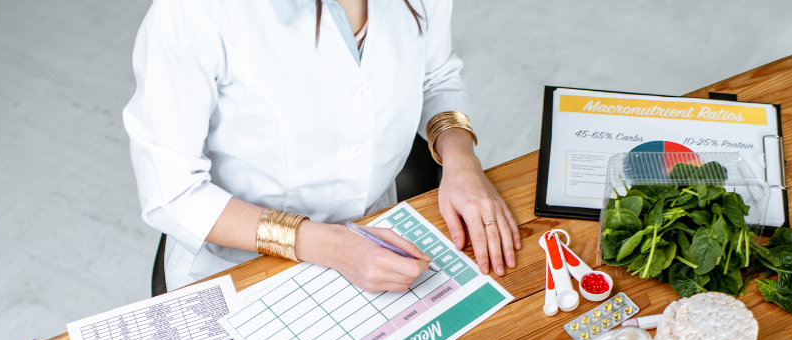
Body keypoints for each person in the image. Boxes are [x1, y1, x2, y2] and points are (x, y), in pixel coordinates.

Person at [123, 0, 520, 294]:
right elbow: (171, 192)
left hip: (376, 234)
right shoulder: (194, 12)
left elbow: (435, 76)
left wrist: (461, 160)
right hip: (241, 265)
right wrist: (331, 246)